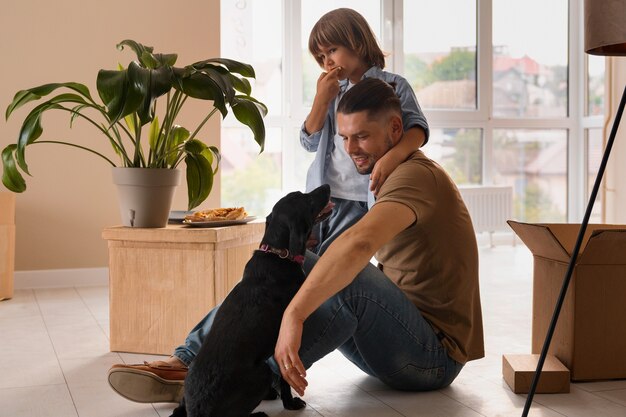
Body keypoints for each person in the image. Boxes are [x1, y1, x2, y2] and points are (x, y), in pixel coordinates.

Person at [108, 78, 484, 404]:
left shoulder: (415, 176)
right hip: (398, 344)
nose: (352, 148)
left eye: (363, 136)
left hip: (432, 359)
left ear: (396, 129)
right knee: (285, 265)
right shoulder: (389, 174)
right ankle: (198, 362)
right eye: (345, 138)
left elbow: (358, 245)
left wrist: (295, 313)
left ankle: (234, 383)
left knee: (341, 274)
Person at [301, 8, 429, 255]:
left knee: (333, 261)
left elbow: (418, 128)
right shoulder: (331, 91)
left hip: (362, 196)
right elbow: (309, 143)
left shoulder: (393, 85)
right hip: (324, 194)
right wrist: (320, 100)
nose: (326, 61)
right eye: (320, 56)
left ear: (357, 43)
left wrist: (393, 157)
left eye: (332, 50)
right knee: (307, 256)